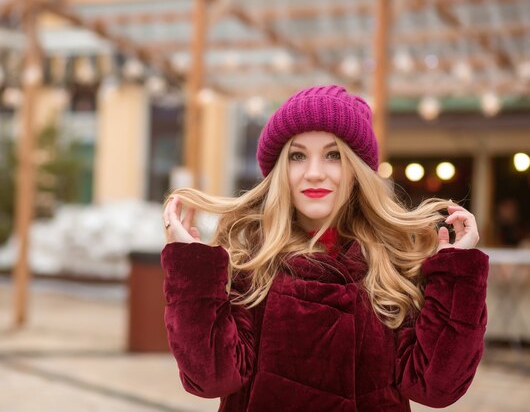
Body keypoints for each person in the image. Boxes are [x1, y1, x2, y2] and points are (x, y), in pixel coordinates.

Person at [160, 85, 488, 412]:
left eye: (334, 155)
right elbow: (211, 378)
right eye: (297, 156)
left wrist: (458, 275)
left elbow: (436, 387)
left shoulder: (391, 267)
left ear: (357, 171)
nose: (314, 173)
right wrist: (194, 274)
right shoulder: (252, 265)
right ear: (280, 172)